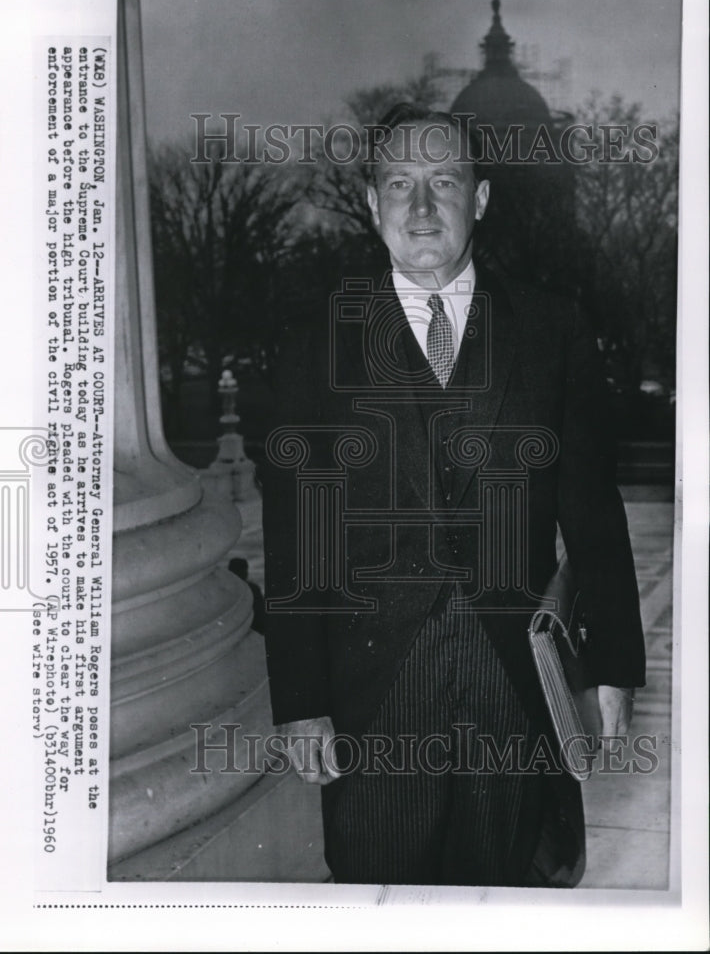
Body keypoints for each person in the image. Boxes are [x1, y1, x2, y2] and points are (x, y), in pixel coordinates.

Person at [261, 103, 646, 886]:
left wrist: (613, 668)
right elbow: (295, 532)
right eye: (400, 183)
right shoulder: (315, 339)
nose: (423, 206)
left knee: (509, 899)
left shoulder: (551, 328)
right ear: (372, 205)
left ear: (481, 199)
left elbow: (593, 515)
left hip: (517, 679)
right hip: (374, 691)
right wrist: (299, 700)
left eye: (445, 181)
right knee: (381, 904)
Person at [228, 557, 266, 635]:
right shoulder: (252, 589)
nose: (245, 573)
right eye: (243, 570)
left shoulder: (223, 588)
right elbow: (261, 616)